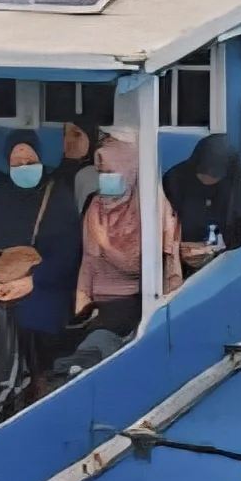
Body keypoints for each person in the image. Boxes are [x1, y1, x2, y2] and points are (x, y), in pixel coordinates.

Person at [0, 124, 80, 352]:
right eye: (17, 163)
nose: (24, 167)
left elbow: (68, 254)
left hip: (46, 283)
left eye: (30, 161)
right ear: (8, 164)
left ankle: (35, 381)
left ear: (40, 159)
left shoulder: (59, 196)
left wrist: (32, 281)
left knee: (36, 317)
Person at [75, 131, 184, 337]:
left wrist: (105, 242)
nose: (105, 180)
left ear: (128, 171)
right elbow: (88, 260)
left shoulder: (148, 209)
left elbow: (137, 267)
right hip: (97, 300)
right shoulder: (97, 205)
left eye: (111, 173)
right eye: (102, 173)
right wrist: (82, 301)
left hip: (131, 301)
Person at [163, 131, 241, 270]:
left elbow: (239, 236)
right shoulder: (176, 180)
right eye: (202, 174)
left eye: (214, 176)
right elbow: (165, 225)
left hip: (223, 266)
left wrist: (215, 251)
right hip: (179, 263)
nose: (207, 180)